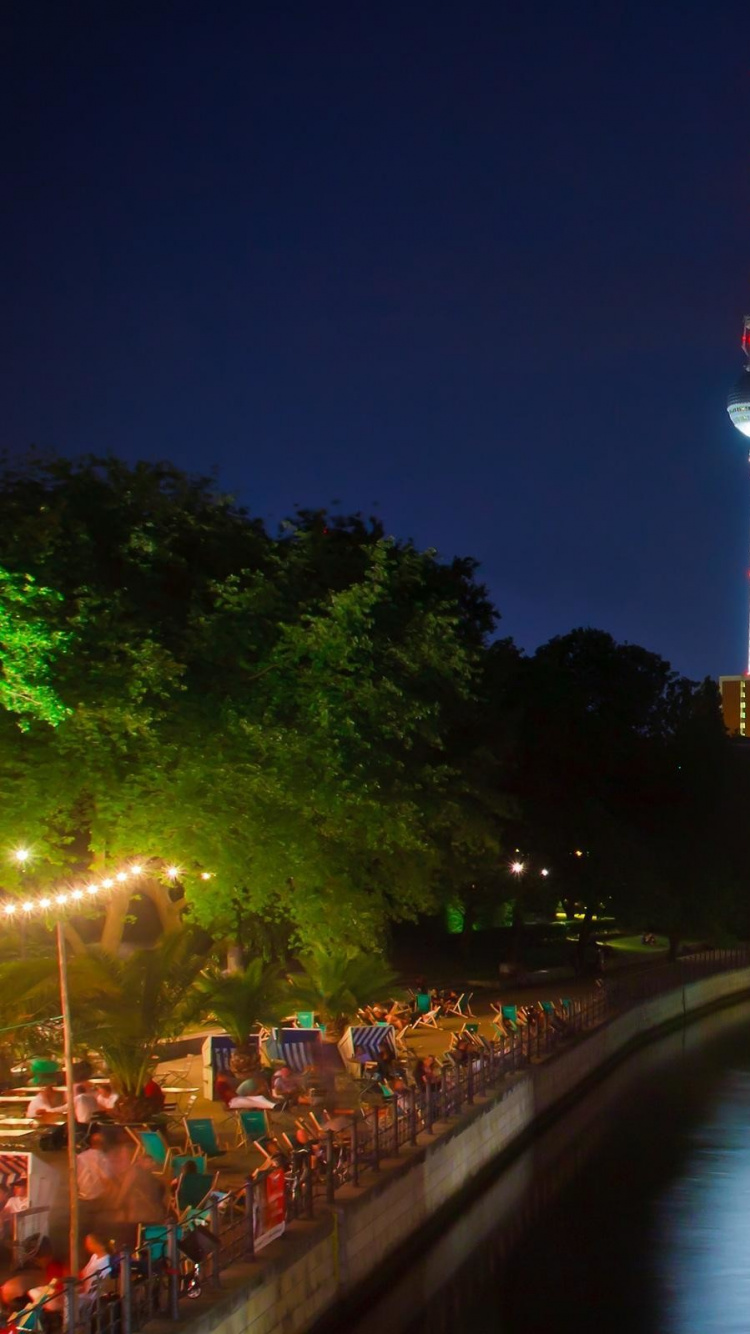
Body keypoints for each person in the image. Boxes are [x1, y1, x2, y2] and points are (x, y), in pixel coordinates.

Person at [76, 1132, 115, 1203]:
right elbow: (105, 1180)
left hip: (82, 1193)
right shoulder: (103, 1158)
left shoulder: (81, 1156)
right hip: (95, 1195)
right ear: (103, 1144)